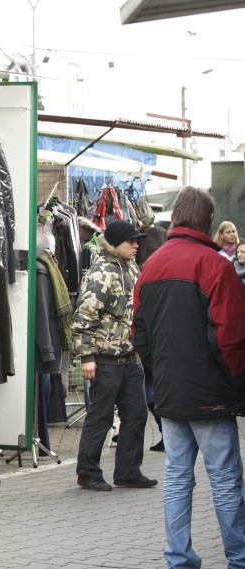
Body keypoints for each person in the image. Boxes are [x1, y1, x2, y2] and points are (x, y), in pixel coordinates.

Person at [133, 187, 245, 568]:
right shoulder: (216, 265)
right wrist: (236, 383)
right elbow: (231, 336)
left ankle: (179, 558)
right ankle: (238, 558)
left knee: (178, 478)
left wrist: (159, 373)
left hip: (170, 393)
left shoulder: (150, 266)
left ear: (178, 215)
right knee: (225, 481)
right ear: (208, 219)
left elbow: (140, 333)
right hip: (211, 393)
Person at [72, 220, 157, 492]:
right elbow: (84, 318)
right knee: (101, 417)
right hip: (106, 359)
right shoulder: (100, 273)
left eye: (137, 241)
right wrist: (87, 357)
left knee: (136, 415)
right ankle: (87, 472)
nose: (136, 245)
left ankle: (128, 471)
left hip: (130, 358)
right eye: (131, 241)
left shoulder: (130, 268)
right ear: (115, 243)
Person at [135, 212, 168, 452]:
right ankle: (168, 435)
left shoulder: (145, 268)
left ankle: (168, 435)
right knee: (152, 393)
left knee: (152, 393)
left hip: (149, 341)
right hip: (154, 339)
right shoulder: (159, 249)